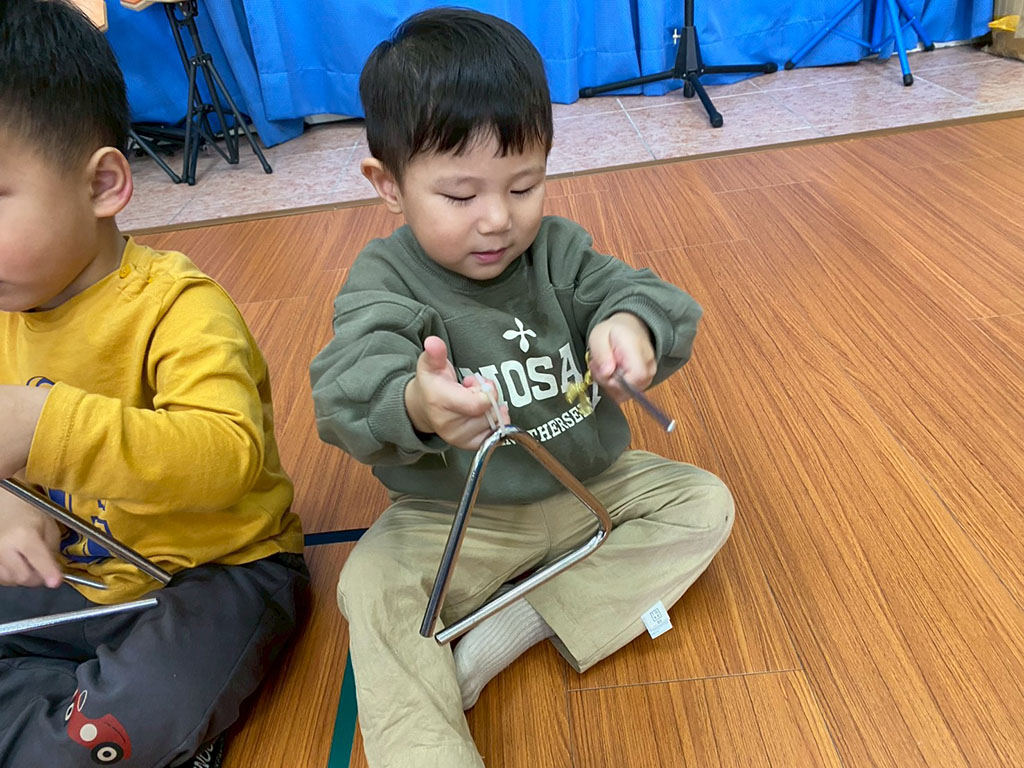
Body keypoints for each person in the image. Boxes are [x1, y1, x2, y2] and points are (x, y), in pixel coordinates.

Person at [310, 8, 734, 767]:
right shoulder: (385, 278)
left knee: (704, 503)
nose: (497, 220)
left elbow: (652, 297)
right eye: (460, 195)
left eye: (524, 185)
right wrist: (415, 403)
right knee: (372, 585)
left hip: (586, 488)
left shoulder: (558, 252)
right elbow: (344, 388)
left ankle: (504, 634)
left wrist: (631, 327)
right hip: (455, 516)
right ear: (388, 185)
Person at [0, 2, 307, 766]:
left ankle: (72, 720)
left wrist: (42, 426)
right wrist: (10, 504)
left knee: (119, 724)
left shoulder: (177, 305)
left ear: (103, 184)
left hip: (214, 576)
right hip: (80, 577)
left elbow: (226, 456)